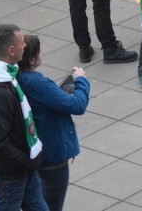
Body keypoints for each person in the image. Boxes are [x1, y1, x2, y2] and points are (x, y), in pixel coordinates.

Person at [0, 24, 48, 211]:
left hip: (22, 169)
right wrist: (26, 161)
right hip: (9, 175)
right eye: (22, 43)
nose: (25, 46)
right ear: (11, 50)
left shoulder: (1, 73)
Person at [17, 34, 90, 211]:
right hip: (51, 158)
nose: (42, 54)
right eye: (40, 52)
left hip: (31, 154)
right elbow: (77, 105)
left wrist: (56, 94)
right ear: (33, 59)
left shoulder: (15, 78)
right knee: (52, 206)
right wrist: (81, 80)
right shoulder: (37, 83)